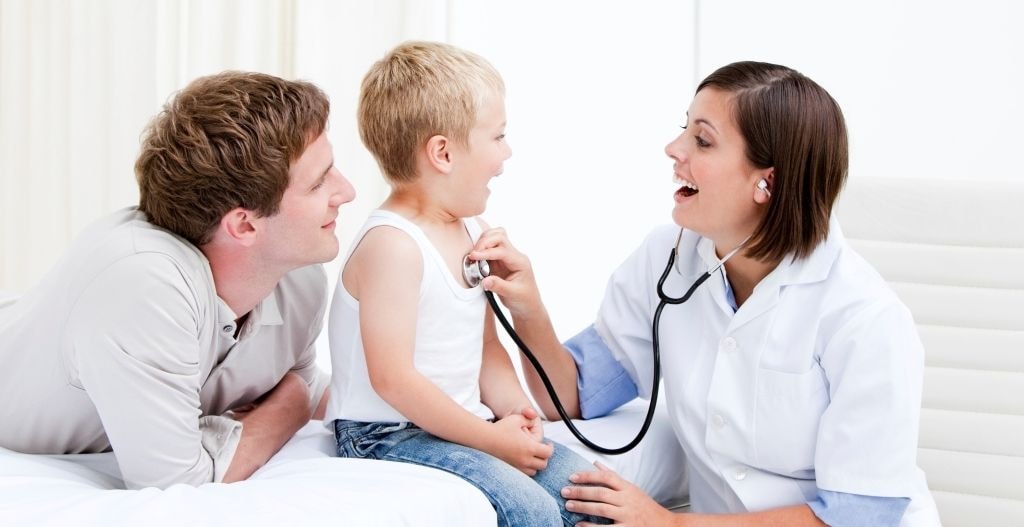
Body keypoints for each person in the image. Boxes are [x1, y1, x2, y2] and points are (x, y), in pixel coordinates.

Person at [469, 61, 941, 526]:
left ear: (767, 182)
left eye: (702, 139)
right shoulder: (667, 257)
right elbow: (572, 397)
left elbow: (859, 516)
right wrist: (529, 308)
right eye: (684, 129)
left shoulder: (863, 316)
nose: (673, 149)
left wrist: (669, 525)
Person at [0, 71, 356, 490]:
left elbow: (302, 384)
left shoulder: (300, 278)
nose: (346, 191)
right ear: (243, 226)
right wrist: (291, 409)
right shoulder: (144, 285)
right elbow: (175, 483)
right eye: (319, 182)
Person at [324, 41, 604, 527]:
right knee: (530, 511)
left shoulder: (470, 228)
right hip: (385, 433)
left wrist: (516, 411)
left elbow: (485, 347)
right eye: (497, 137)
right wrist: (491, 439)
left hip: (460, 421)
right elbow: (393, 379)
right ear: (443, 152)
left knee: (592, 496)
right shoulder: (393, 246)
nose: (507, 152)